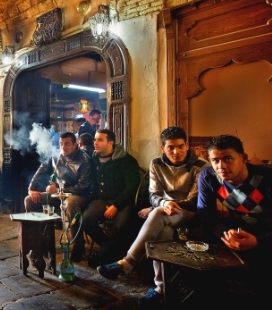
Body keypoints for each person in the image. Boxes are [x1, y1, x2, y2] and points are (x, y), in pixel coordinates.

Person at [96, 127, 210, 308]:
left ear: (187, 145)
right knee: (162, 233)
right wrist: (164, 204)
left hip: (191, 213)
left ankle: (127, 263)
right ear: (162, 147)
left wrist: (165, 205)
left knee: (156, 213)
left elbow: (195, 199)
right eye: (171, 147)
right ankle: (161, 289)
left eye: (181, 146)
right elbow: (154, 195)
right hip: (165, 213)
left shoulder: (201, 166)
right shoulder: (156, 163)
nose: (176, 152)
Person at [196, 135, 272, 306]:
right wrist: (224, 233)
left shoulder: (267, 177)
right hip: (237, 228)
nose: (220, 166)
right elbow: (205, 214)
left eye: (227, 159)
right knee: (199, 241)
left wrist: (258, 242)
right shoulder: (208, 176)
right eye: (215, 160)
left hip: (266, 231)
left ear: (243, 158)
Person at [25, 132, 93, 261]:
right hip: (58, 194)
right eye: (61, 144)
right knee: (30, 200)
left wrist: (60, 189)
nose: (63, 147)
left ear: (75, 145)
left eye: (67, 144)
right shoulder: (56, 156)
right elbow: (42, 169)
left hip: (79, 195)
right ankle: (39, 242)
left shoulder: (84, 161)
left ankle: (78, 245)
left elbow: (83, 187)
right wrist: (31, 189)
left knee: (70, 203)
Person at [82, 129, 140, 267]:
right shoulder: (93, 160)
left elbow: (132, 187)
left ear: (111, 143)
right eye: (95, 139)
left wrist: (116, 205)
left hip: (124, 201)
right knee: (86, 220)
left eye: (100, 140)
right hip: (101, 200)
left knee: (121, 225)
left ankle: (103, 254)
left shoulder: (126, 160)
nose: (95, 142)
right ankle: (109, 250)